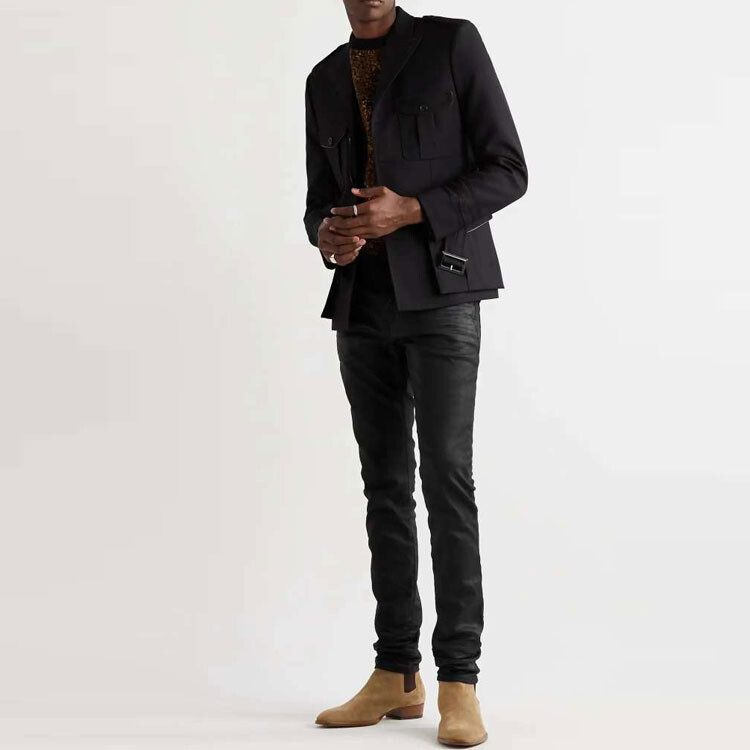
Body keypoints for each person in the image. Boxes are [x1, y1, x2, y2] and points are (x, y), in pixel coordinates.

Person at [303, 2, 527, 745]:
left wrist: (412, 211)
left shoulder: (451, 43)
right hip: (362, 303)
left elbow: (509, 170)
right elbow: (316, 204)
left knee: (447, 479)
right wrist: (328, 235)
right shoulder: (324, 79)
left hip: (443, 290)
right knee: (384, 487)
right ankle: (396, 673)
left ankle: (459, 681)